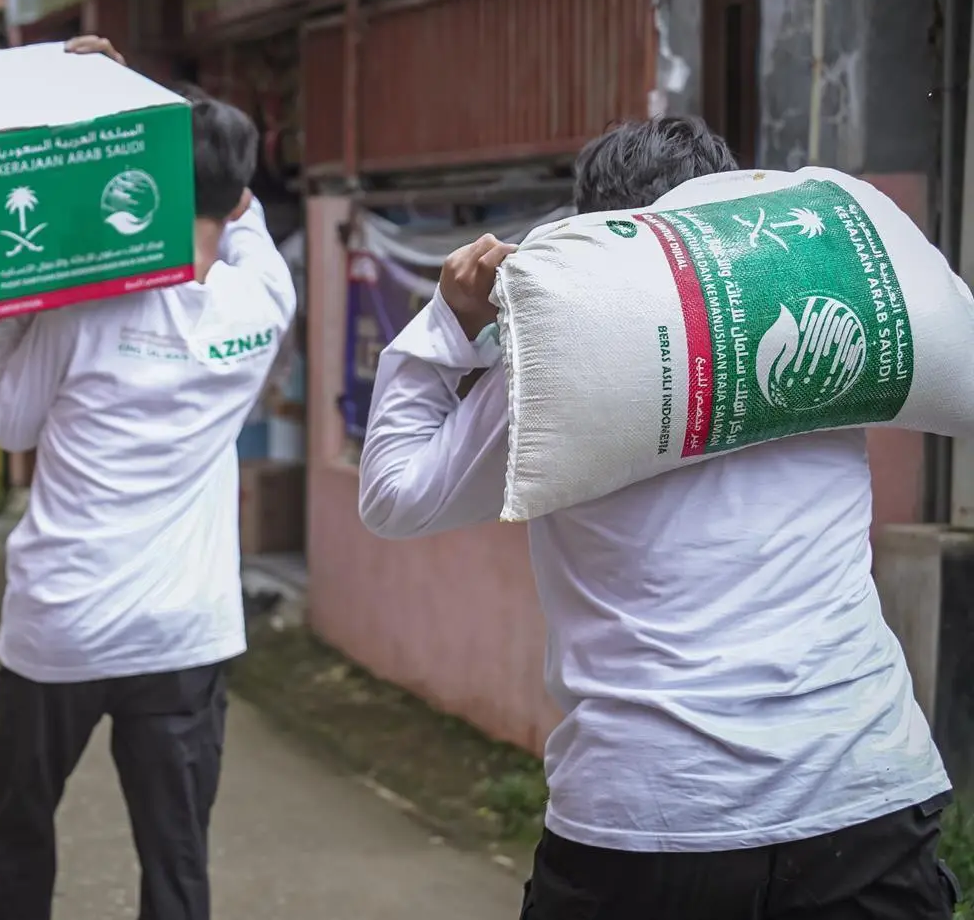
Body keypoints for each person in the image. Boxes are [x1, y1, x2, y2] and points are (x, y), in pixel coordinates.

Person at [359, 115, 959, 920]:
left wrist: (450, 323)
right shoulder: (823, 318)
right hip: (861, 787)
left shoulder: (562, 359)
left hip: (650, 814)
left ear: (603, 232)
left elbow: (394, 494)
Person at [0, 36, 297, 920]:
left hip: (62, 625)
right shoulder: (262, 301)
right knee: (177, 865)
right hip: (183, 635)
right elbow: (236, 207)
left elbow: (10, 425)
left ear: (143, 177)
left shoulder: (81, 304)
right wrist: (138, 100)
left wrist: (14, 311)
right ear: (240, 198)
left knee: (21, 837)